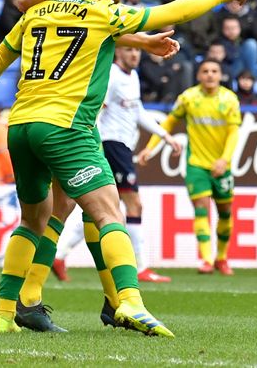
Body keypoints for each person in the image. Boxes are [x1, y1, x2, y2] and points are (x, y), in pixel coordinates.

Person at [0, 0, 252, 336]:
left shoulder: (38, 10)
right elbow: (176, 11)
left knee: (33, 221)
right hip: (65, 127)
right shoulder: (105, 13)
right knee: (109, 213)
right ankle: (129, 302)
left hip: (20, 126)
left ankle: (4, 314)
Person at [53, 46, 181, 284]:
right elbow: (95, 112)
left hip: (121, 147)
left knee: (101, 208)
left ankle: (59, 255)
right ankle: (140, 267)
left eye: (137, 51)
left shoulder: (132, 76)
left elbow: (137, 110)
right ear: (118, 52)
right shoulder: (110, 76)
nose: (135, 54)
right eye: (129, 50)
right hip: (111, 145)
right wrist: (94, 145)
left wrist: (164, 136)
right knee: (134, 205)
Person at [137, 59, 240, 275]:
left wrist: (224, 160)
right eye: (205, 71)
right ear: (198, 75)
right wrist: (150, 148)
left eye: (214, 71)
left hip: (222, 165)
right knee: (201, 208)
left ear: (220, 75)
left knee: (225, 212)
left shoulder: (230, 99)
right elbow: (169, 122)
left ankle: (222, 257)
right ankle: (207, 259)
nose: (210, 75)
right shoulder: (188, 98)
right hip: (196, 164)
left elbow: (233, 133)